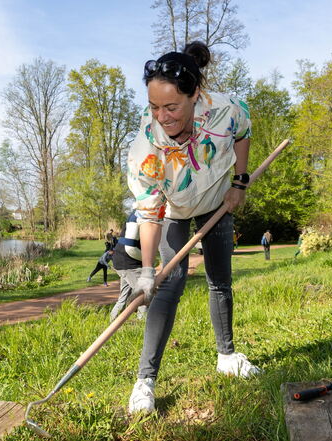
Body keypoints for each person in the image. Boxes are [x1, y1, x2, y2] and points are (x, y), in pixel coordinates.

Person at [125, 41, 259, 414]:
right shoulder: (146, 149)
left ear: (195, 94)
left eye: (171, 106)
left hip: (217, 201)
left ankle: (227, 357)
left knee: (220, 279)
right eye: (154, 107)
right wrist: (148, 271)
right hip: (173, 209)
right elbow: (150, 214)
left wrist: (239, 183)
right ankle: (145, 382)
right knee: (169, 285)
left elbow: (243, 133)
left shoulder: (226, 109)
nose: (162, 116)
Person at [110, 212, 148, 322]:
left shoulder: (138, 213)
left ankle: (112, 323)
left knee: (124, 297)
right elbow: (130, 247)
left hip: (122, 261)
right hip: (128, 263)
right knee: (144, 295)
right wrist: (148, 260)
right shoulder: (138, 215)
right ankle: (143, 325)